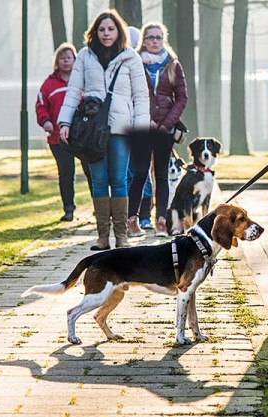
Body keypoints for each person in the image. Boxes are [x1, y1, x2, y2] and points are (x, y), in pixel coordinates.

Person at [58, 10, 150, 250]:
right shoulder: (85, 57)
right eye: (102, 29)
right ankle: (102, 237)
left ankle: (121, 236)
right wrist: (64, 122)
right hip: (92, 129)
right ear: (94, 32)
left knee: (119, 179)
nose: (106, 34)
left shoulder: (131, 58)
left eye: (111, 29)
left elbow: (141, 96)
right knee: (99, 180)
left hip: (122, 128)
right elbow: (73, 91)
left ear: (118, 31)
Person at [127, 21, 187, 238]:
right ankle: (131, 221)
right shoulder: (133, 61)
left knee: (161, 175)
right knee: (140, 174)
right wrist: (146, 119)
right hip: (142, 127)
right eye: (150, 37)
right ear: (144, 39)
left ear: (164, 39)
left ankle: (161, 221)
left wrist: (166, 125)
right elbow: (129, 94)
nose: (154, 41)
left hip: (165, 129)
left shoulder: (173, 64)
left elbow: (181, 98)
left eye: (158, 37)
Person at [36, 42, 92, 222]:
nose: (66, 61)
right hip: (58, 137)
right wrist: (45, 122)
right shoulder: (49, 84)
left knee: (91, 171)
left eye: (69, 57)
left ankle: (99, 207)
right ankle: (69, 208)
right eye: (62, 58)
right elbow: (41, 106)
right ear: (57, 61)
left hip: (83, 136)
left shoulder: (84, 81)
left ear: (75, 60)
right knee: (66, 172)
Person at [126, 26, 155, 236]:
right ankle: (125, 220)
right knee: (124, 177)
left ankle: (140, 216)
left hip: (141, 128)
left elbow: (147, 97)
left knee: (141, 175)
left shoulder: (141, 67)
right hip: (120, 127)